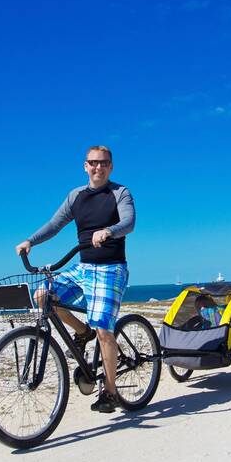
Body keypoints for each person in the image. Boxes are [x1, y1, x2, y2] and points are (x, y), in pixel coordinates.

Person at [15, 146, 135, 414]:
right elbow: (54, 224)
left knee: (105, 329)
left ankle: (111, 393)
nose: (98, 168)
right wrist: (30, 241)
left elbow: (129, 222)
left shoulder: (120, 193)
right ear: (85, 166)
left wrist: (109, 231)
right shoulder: (76, 196)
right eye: (93, 163)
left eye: (103, 163)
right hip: (83, 268)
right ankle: (82, 332)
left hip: (111, 269)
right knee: (43, 296)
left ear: (111, 166)